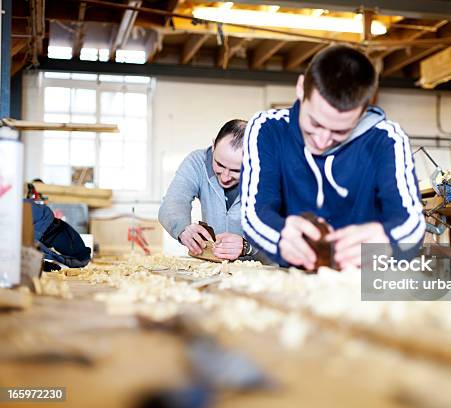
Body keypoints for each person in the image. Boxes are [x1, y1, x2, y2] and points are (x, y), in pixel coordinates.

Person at [241, 45, 425, 270]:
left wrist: (390, 241)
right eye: (314, 123)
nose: (322, 140)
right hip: (295, 279)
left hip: (365, 280)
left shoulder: (386, 140)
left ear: (363, 111)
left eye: (340, 131)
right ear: (301, 88)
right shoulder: (267, 129)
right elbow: (254, 212)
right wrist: (279, 237)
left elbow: (412, 222)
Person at [159, 119, 256, 260]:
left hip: (260, 272)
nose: (225, 177)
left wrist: (248, 246)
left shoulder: (269, 172)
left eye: (236, 170)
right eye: (219, 165)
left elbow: (282, 227)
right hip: (213, 268)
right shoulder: (197, 162)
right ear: (213, 146)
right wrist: (183, 229)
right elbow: (173, 202)